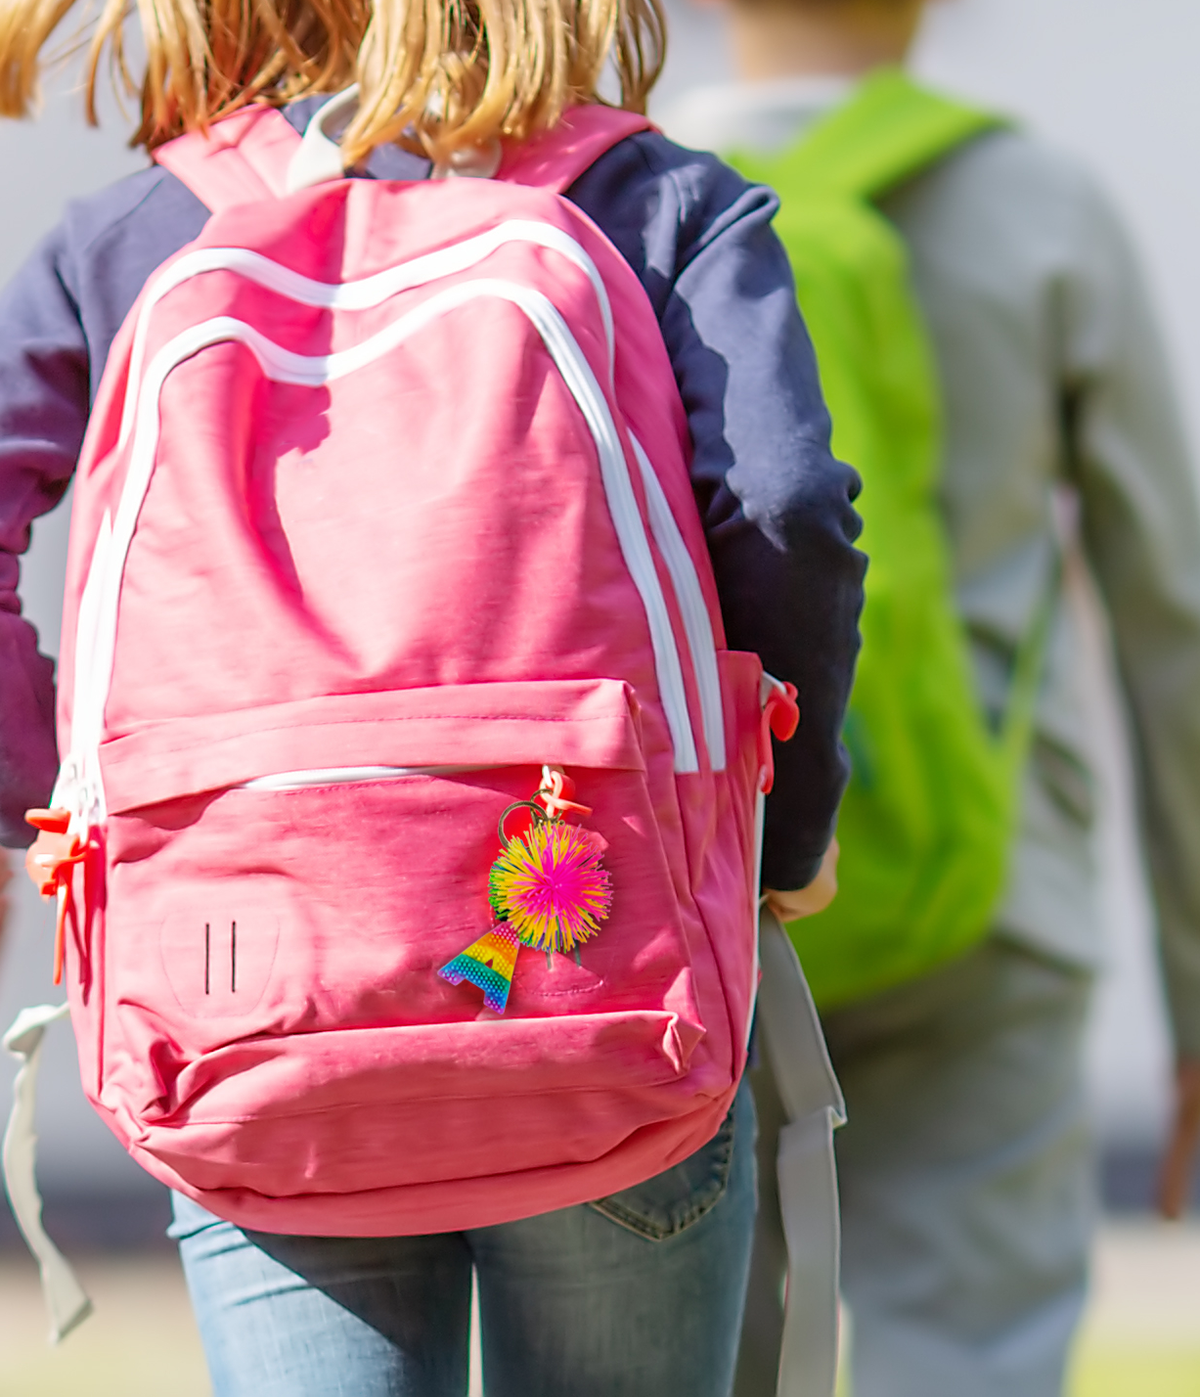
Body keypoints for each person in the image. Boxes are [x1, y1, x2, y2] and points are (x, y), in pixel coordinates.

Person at [0, 0, 864, 1390]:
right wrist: (788, 831)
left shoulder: (137, 235)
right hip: (595, 965)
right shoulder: (657, 202)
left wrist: (28, 800)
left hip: (251, 994)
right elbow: (788, 509)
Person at [666, 2, 1200, 1395]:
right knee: (974, 1358)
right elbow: (1173, 621)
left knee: (716, 1352)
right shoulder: (1047, 206)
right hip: (998, 900)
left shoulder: (632, 201)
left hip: (711, 906)